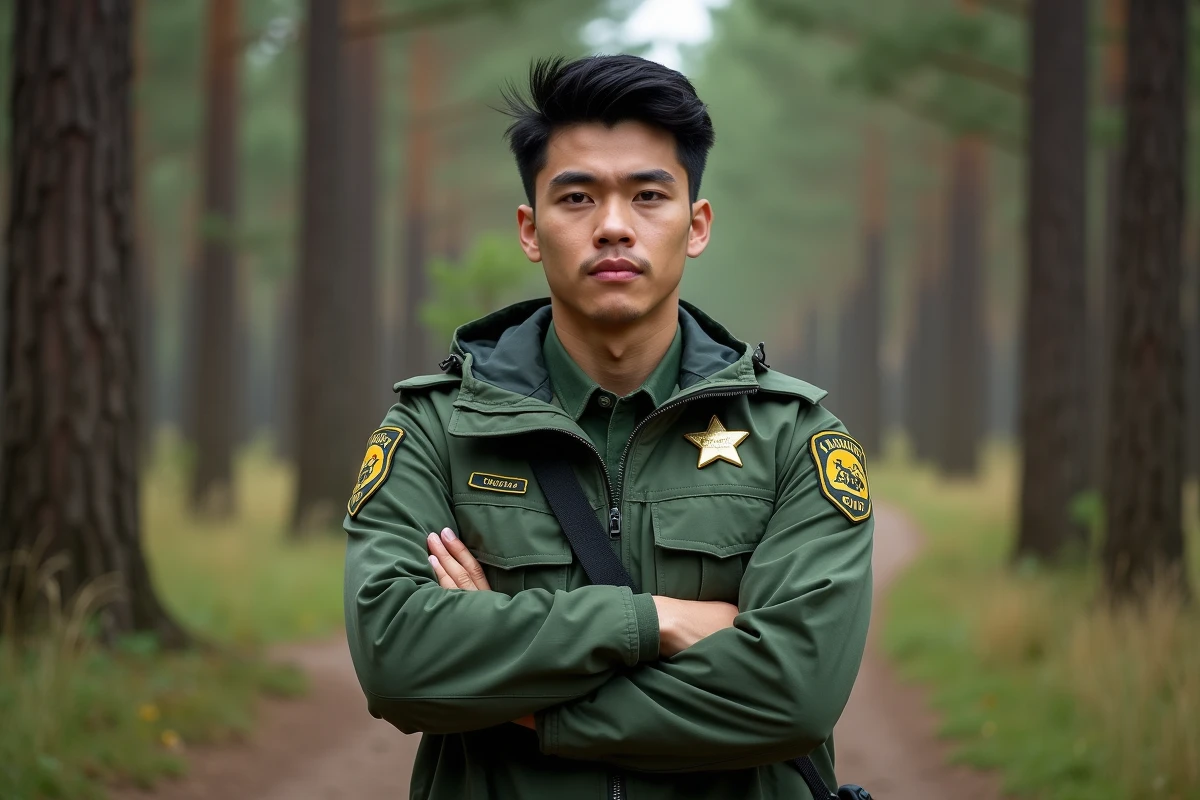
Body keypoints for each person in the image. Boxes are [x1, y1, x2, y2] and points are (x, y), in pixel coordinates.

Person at [343, 54, 874, 800]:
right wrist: (651, 620)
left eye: (648, 196)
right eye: (577, 198)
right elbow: (398, 662)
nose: (614, 227)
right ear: (531, 229)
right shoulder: (437, 430)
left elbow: (794, 696)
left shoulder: (794, 439)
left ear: (696, 225)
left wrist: (517, 700)